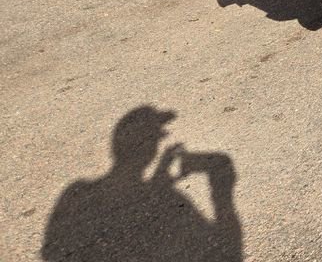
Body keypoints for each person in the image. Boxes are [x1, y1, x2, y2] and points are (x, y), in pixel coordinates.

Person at [41, 106, 242, 262]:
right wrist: (223, 190)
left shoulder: (76, 192)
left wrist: (160, 179)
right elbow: (228, 250)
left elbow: (52, 251)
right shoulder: (169, 204)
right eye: (155, 136)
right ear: (149, 149)